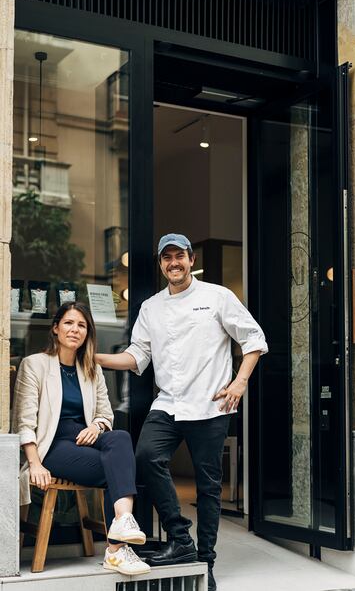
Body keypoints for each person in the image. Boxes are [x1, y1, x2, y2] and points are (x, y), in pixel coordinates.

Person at [96, 233, 268, 591]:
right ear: (161, 264)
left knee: (208, 487)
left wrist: (239, 383)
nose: (173, 263)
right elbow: (136, 358)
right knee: (146, 456)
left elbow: (254, 340)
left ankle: (205, 559)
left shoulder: (217, 297)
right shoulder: (151, 307)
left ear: (191, 259)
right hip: (169, 403)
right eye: (167, 258)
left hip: (211, 405)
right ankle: (180, 538)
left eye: (179, 256)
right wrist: (92, 358)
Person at [12, 301, 150, 576]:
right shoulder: (34, 364)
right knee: (119, 467)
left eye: (82, 325)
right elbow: (24, 421)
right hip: (50, 444)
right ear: (55, 328)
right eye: (69, 323)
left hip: (82, 437)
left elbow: (104, 413)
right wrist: (35, 463)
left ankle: (122, 524)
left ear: (88, 333)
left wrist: (98, 426)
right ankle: (117, 549)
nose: (75, 329)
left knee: (119, 438)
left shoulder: (91, 368)